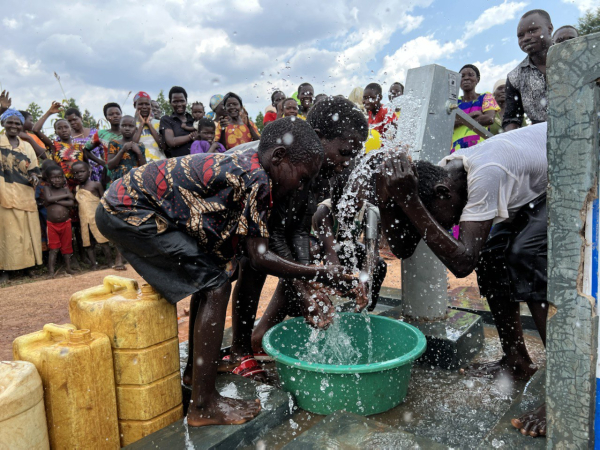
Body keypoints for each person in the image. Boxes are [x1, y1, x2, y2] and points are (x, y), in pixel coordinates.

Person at [96, 117, 358, 427]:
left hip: (130, 204)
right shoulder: (257, 179)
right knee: (215, 286)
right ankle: (203, 406)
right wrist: (320, 273)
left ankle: (196, 373)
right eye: (301, 178)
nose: (301, 187)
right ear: (278, 158)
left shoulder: (257, 167)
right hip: (128, 210)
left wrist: (312, 274)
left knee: (214, 278)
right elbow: (259, 257)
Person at [378, 123, 548, 438]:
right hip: (532, 191)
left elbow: (462, 262)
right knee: (491, 255)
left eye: (445, 218)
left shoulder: (485, 173)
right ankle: (516, 360)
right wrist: (388, 197)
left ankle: (565, 385)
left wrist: (412, 202)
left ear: (444, 193)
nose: (449, 225)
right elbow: (404, 247)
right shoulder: (446, 173)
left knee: (524, 256)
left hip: (571, 171)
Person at [227, 98, 370, 374]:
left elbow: (301, 228)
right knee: (253, 264)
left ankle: (261, 334)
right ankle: (240, 350)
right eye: (343, 152)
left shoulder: (322, 168)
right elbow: (277, 232)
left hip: (267, 221)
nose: (345, 164)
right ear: (317, 139)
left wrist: (311, 278)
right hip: (231, 207)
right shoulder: (285, 164)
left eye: (352, 156)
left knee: (306, 263)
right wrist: (304, 287)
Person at [0, 109, 43, 283]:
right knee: (6, 233)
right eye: (9, 122)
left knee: (27, 232)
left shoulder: (27, 146)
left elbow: (34, 170)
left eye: (17, 123)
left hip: (25, 194)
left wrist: (34, 177)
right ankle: (4, 270)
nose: (14, 126)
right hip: (4, 194)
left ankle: (28, 267)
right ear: (3, 123)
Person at [503, 9, 553, 131]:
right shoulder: (515, 77)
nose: (526, 38)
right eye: (521, 35)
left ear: (550, 28)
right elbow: (511, 118)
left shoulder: (574, 60)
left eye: (533, 30)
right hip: (542, 142)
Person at [33, 102, 86, 192]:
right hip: (60, 188)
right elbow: (35, 129)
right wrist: (49, 112)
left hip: (79, 187)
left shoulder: (80, 147)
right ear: (55, 132)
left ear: (71, 129)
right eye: (59, 128)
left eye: (66, 127)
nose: (63, 130)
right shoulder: (54, 147)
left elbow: (87, 166)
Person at [72, 161, 113, 269]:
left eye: (82, 171)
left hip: (96, 219)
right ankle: (94, 264)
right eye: (76, 173)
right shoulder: (76, 189)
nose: (79, 174)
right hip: (84, 221)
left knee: (103, 242)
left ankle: (110, 263)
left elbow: (104, 200)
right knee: (89, 244)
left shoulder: (96, 185)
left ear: (89, 172)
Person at [451, 64, 499, 152]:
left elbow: (489, 119)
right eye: (462, 76)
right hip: (456, 149)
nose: (466, 78)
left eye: (471, 75)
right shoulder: (454, 102)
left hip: (481, 148)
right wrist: (473, 114)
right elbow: (448, 123)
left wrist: (459, 120)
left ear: (477, 80)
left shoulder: (486, 96)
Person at [42, 162, 75, 278]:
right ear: (48, 179)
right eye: (54, 178)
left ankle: (68, 268)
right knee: (53, 248)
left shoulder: (65, 189)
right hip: (52, 225)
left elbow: (71, 202)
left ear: (63, 177)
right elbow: (48, 198)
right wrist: (59, 199)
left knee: (67, 247)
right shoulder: (47, 188)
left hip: (66, 223)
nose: (57, 180)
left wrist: (54, 201)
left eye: (60, 177)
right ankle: (51, 271)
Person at [83, 102, 123, 186]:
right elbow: (86, 149)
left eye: (117, 113)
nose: (115, 116)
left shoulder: (130, 132)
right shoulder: (101, 134)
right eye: (111, 114)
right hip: (110, 174)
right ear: (107, 118)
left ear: (121, 115)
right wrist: (102, 163)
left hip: (130, 171)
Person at [107, 115, 146, 183]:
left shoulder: (140, 146)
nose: (127, 128)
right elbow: (110, 166)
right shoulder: (114, 143)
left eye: (131, 126)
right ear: (119, 128)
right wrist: (122, 150)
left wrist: (138, 153)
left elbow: (144, 167)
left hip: (135, 180)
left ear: (136, 129)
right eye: (124, 125)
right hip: (119, 181)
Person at [160, 86, 196, 157]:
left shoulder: (194, 119)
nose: (179, 104)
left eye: (182, 101)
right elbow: (171, 142)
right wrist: (191, 136)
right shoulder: (166, 120)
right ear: (170, 102)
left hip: (197, 162)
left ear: (186, 101)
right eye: (175, 101)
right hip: (177, 164)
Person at [134, 92, 164, 162]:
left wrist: (149, 124)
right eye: (140, 104)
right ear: (135, 106)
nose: (144, 107)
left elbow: (162, 146)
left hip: (160, 163)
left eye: (147, 104)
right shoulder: (131, 124)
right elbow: (132, 145)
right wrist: (141, 124)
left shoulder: (158, 123)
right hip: (140, 165)